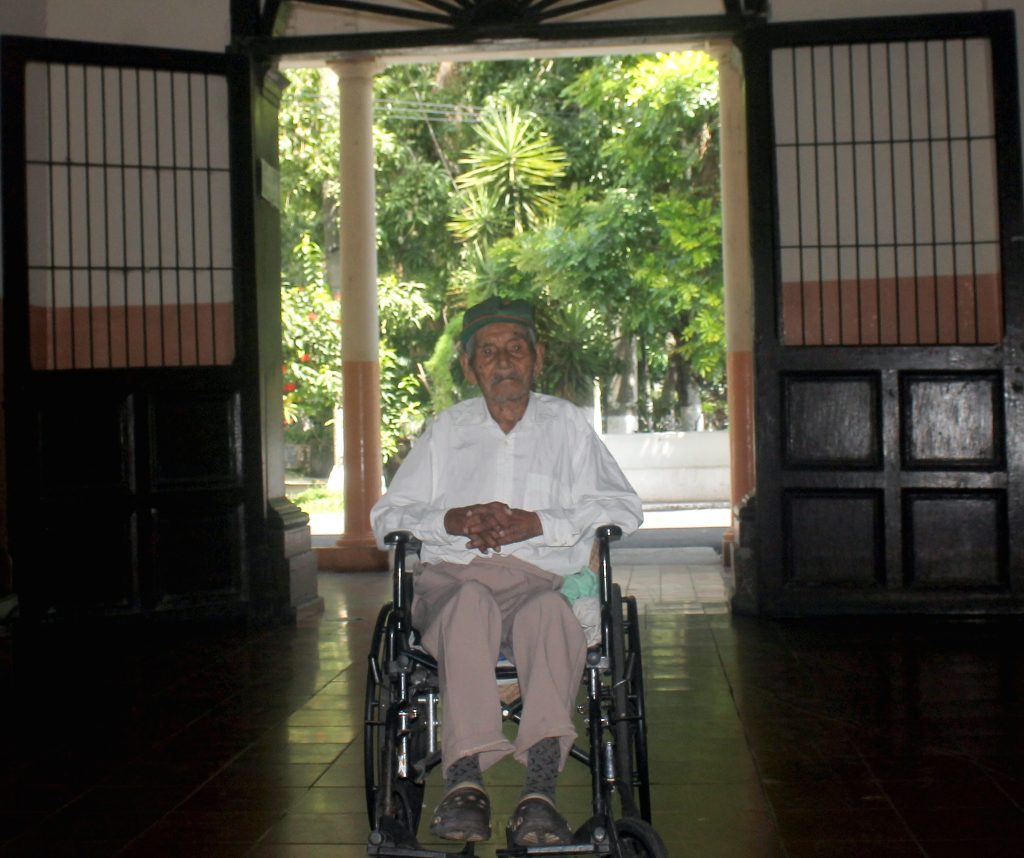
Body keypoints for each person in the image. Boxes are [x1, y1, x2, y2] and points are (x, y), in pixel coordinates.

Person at [370, 296, 643, 847]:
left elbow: (624, 508)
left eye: (516, 349)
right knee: (471, 601)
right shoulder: (447, 430)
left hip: (536, 583)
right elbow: (387, 518)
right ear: (469, 366)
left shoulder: (566, 426)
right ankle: (464, 780)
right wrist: (450, 519)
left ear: (537, 358)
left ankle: (539, 791)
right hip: (453, 583)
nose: (503, 362)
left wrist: (537, 523)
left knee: (553, 616)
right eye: (489, 352)